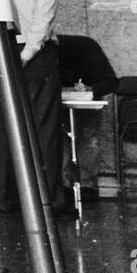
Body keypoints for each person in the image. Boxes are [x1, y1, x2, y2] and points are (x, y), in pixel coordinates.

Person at [0, 0, 68, 216]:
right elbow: (42, 25)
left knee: (9, 127)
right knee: (44, 128)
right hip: (38, 60)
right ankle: (48, 200)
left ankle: (6, 198)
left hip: (3, 51)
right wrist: (26, 55)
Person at [56, 33, 118, 199]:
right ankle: (85, 186)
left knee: (75, 140)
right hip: (74, 96)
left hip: (85, 99)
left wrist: (91, 89)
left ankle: (71, 185)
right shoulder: (86, 45)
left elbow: (110, 82)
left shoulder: (84, 48)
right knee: (87, 140)